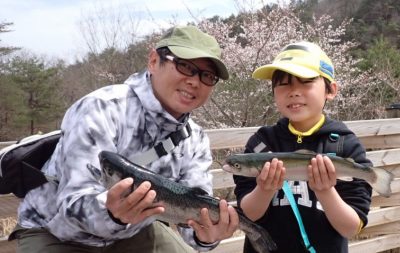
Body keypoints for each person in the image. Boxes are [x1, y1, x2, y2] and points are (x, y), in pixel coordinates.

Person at [11, 25, 239, 253]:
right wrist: (111, 213)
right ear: (153, 61)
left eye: (207, 75)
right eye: (185, 66)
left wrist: (207, 235)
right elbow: (72, 204)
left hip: (134, 231)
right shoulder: (101, 109)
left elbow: (194, 224)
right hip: (56, 231)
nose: (195, 81)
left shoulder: (195, 138)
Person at [233, 41, 372, 252]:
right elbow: (249, 214)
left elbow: (352, 228)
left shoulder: (345, 144)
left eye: (306, 81)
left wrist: (326, 191)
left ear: (331, 90)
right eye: (283, 83)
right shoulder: (261, 144)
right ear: (273, 92)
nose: (294, 91)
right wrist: (264, 189)